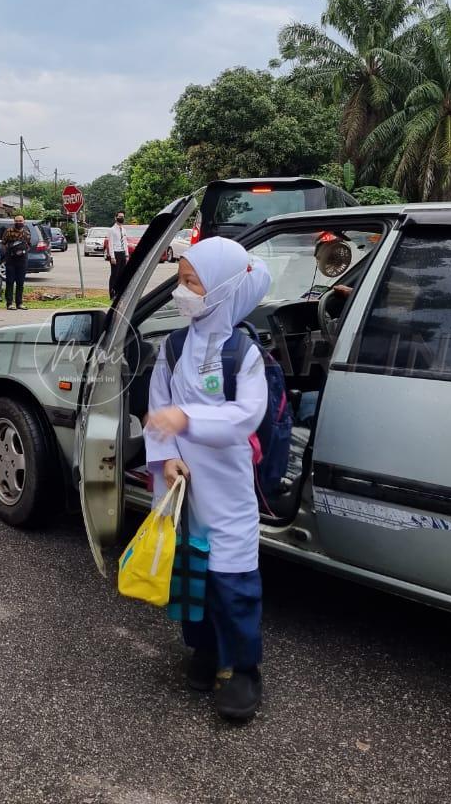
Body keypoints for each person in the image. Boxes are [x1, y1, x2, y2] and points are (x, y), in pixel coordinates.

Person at [144, 236, 272, 722]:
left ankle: (244, 668)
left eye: (192, 282)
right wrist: (167, 453)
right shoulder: (174, 347)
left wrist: (187, 421)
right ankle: (204, 650)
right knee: (193, 573)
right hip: (185, 486)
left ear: (220, 289)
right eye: (180, 281)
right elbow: (159, 405)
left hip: (229, 488)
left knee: (232, 579)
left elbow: (245, 417)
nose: (183, 291)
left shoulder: (243, 353)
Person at [0, 215, 31, 310]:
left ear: (24, 222)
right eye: (17, 221)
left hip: (22, 260)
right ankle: (9, 303)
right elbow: (3, 243)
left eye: (20, 221)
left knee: (20, 282)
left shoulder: (27, 233)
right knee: (9, 282)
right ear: (14, 222)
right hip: (11, 260)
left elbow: (29, 245)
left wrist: (23, 252)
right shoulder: (8, 231)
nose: (19, 222)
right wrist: (10, 253)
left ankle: (19, 303)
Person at [106, 211, 128, 300]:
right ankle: (112, 294)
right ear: (115, 218)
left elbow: (125, 242)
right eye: (119, 216)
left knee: (121, 275)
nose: (121, 218)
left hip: (122, 253)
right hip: (116, 253)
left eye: (122, 216)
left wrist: (126, 254)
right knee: (114, 274)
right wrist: (112, 256)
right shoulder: (112, 230)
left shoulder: (124, 229)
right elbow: (110, 244)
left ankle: (119, 293)